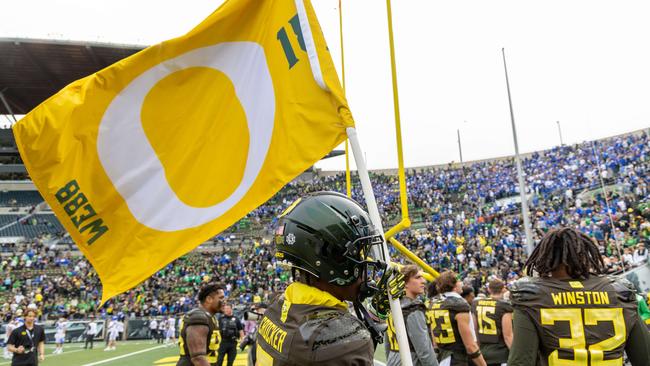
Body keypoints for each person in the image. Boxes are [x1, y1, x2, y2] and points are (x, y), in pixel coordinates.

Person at [256, 192, 399, 365]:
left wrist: (375, 315)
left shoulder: (276, 308)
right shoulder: (339, 338)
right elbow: (340, 347)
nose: (366, 262)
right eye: (359, 253)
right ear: (334, 258)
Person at [508, 227, 650, 365]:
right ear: (585, 254)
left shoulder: (532, 297)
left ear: (544, 257)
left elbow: (520, 361)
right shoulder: (618, 291)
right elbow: (645, 357)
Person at [430, 271, 487, 366]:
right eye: (459, 280)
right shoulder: (459, 304)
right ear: (454, 285)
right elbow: (470, 345)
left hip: (443, 357)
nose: (461, 283)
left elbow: (434, 339)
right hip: (456, 358)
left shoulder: (435, 303)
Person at [385, 264, 438, 366]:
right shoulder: (413, 310)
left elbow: (388, 345)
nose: (424, 281)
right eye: (418, 277)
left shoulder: (393, 307)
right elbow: (424, 351)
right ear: (404, 283)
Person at [176, 283, 226, 366]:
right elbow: (198, 358)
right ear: (209, 299)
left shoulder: (210, 317)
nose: (224, 301)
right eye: (221, 298)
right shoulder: (198, 317)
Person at [471, 279, 513, 366]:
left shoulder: (476, 303)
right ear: (503, 289)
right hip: (501, 354)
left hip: (483, 353)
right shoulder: (504, 306)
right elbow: (508, 336)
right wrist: (516, 355)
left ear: (489, 289)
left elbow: (474, 330)